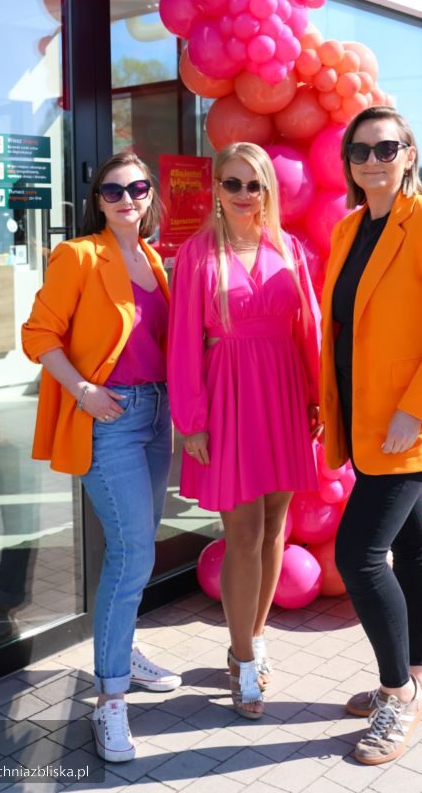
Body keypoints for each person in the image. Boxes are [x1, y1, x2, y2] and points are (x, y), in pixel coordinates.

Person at [320, 107, 422, 766]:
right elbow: (343, 329)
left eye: (385, 148)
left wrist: (413, 411)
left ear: (408, 154)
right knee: (413, 548)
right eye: (359, 150)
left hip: (406, 424)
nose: (371, 160)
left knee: (358, 555)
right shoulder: (349, 228)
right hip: (364, 420)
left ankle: (397, 693)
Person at [21, 151, 180, 764]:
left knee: (139, 549)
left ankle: (123, 651)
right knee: (132, 551)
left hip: (157, 414)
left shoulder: (156, 262)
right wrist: (83, 390)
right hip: (109, 417)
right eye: (112, 190)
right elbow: (39, 334)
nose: (126, 198)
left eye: (137, 188)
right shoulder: (79, 255)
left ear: (150, 195)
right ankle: (110, 699)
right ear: (98, 200)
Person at [168, 142, 321, 720]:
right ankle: (243, 660)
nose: (243, 195)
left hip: (284, 394)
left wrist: (317, 397)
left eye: (253, 185)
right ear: (216, 189)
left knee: (276, 524)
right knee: (244, 532)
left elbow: (309, 328)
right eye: (232, 183)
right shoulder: (197, 254)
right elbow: (183, 342)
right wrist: (192, 421)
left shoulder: (290, 248)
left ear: (267, 191)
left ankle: (253, 640)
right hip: (229, 397)